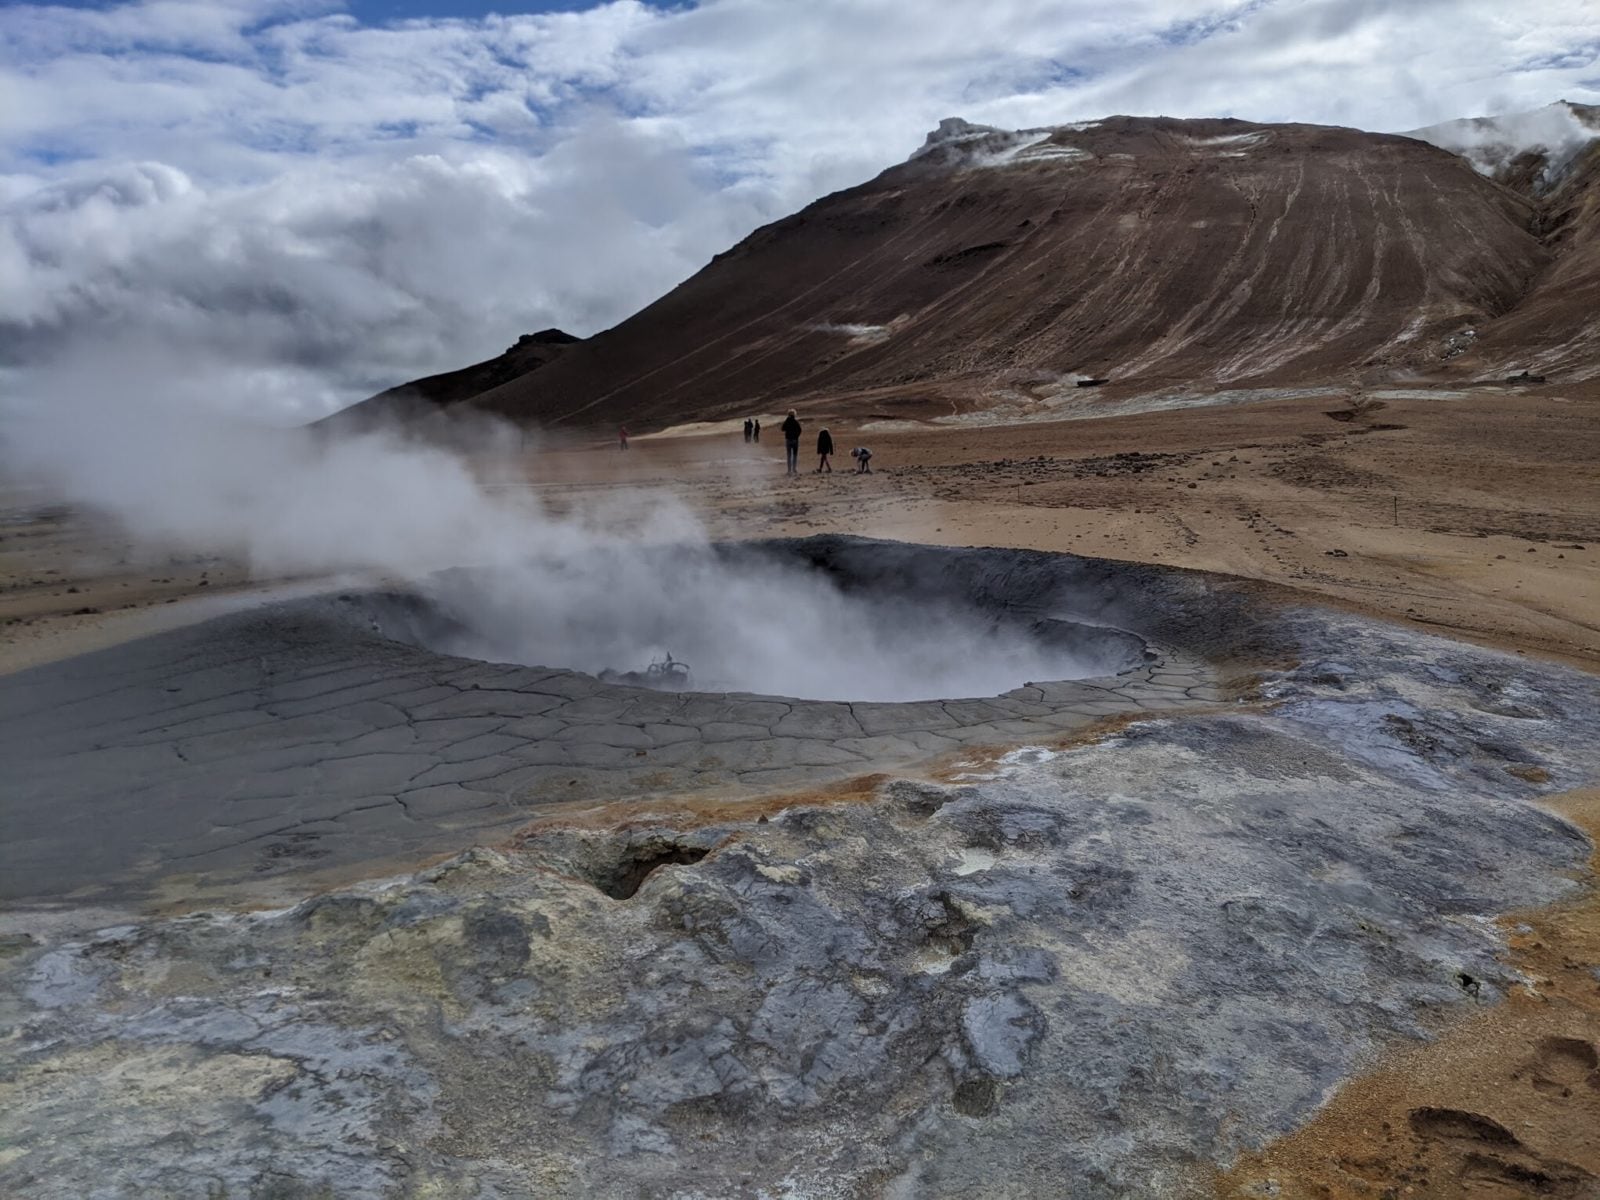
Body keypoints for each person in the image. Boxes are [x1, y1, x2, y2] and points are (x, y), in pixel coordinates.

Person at [780, 409, 802, 475]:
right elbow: (800, 430)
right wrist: (796, 436)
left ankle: (789, 470)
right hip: (795, 440)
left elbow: (782, 429)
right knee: (795, 455)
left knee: (789, 455)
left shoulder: (787, 421)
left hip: (788, 440)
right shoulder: (795, 422)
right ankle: (794, 469)